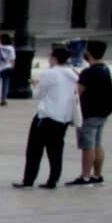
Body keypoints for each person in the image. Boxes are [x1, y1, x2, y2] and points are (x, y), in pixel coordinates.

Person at [16, 44, 77, 190]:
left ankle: (29, 179)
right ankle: (53, 179)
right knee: (56, 150)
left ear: (54, 58)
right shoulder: (72, 73)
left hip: (47, 115)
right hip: (63, 117)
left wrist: (35, 85)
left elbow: (38, 94)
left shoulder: (50, 73)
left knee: (34, 149)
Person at [69, 39, 110, 186]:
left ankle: (85, 177)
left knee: (88, 146)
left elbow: (77, 92)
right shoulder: (104, 69)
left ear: (88, 53)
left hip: (89, 114)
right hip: (102, 113)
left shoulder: (89, 72)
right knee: (97, 144)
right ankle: (97, 175)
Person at [0, 34, 17, 106]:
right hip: (7, 68)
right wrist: (12, 67)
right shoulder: (11, 48)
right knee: (5, 85)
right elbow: (12, 60)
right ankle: (3, 100)